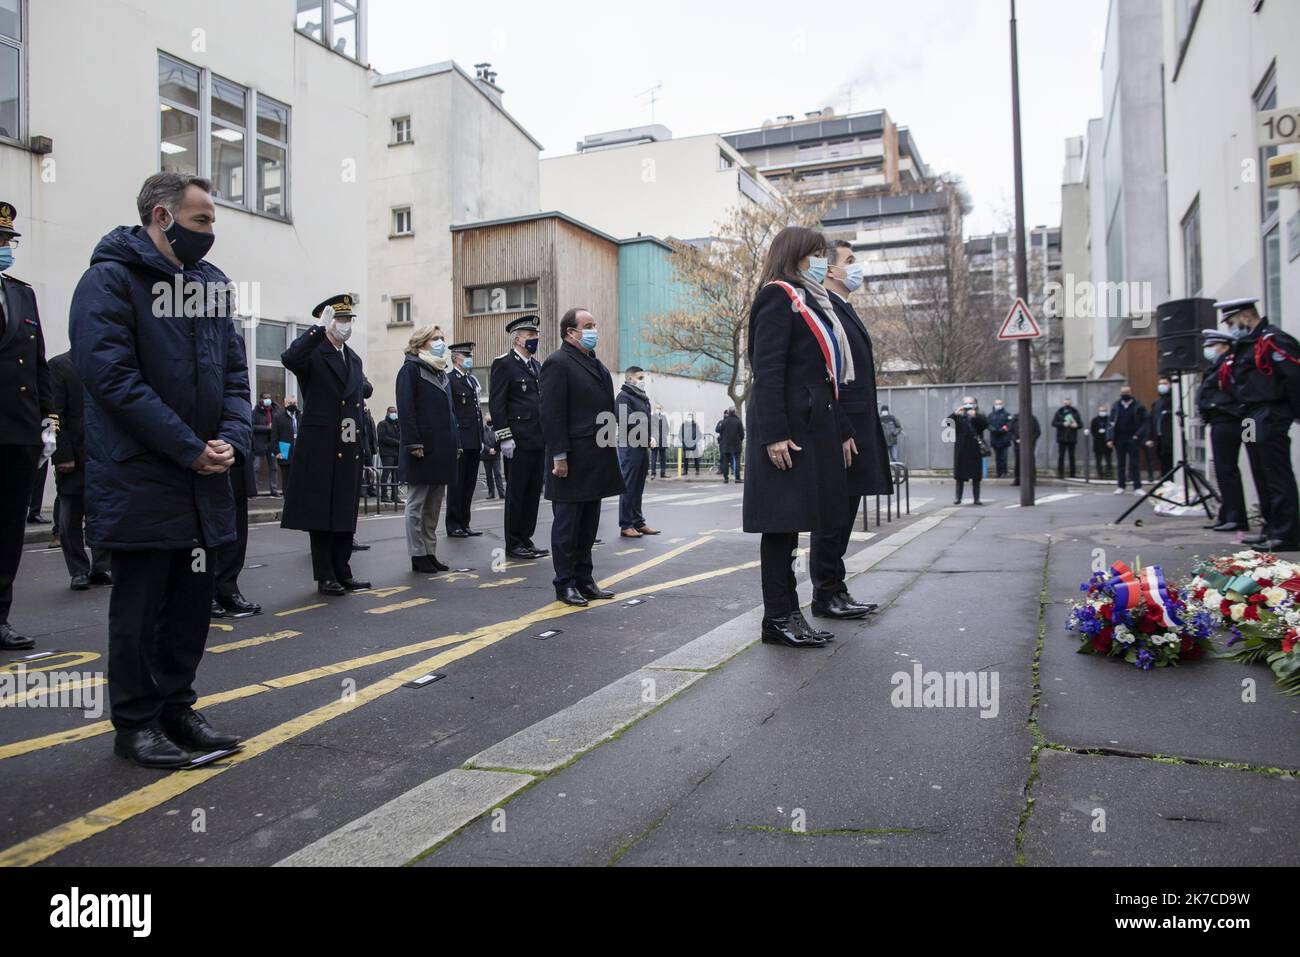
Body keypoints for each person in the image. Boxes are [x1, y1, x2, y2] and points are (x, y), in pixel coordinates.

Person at [70, 172, 249, 767]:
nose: (211, 233)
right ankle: (137, 724)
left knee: (191, 605)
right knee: (141, 610)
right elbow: (111, 379)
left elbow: (234, 377)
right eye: (202, 221)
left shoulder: (211, 286)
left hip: (202, 479)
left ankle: (176, 709)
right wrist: (186, 447)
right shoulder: (108, 281)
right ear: (162, 218)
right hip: (142, 477)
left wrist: (230, 440)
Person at [743, 226, 856, 648]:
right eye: (815, 254)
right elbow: (767, 370)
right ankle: (778, 616)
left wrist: (839, 427)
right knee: (781, 527)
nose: (822, 262)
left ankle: (790, 614)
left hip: (809, 427)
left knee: (797, 523)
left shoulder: (809, 300)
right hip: (786, 430)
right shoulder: (778, 296)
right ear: (796, 255)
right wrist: (773, 434)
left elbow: (823, 376)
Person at [809, 240, 891, 620]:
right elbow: (828, 379)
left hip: (856, 426)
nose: (857, 267)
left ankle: (836, 589)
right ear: (829, 270)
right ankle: (826, 594)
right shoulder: (825, 311)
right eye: (850, 261)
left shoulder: (842, 308)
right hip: (842, 429)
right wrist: (842, 427)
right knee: (832, 516)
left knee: (844, 514)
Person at [280, 293, 373, 595]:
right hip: (321, 443)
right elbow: (290, 358)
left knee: (345, 509)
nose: (346, 325)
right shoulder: (314, 352)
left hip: (348, 442)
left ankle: (343, 570)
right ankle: (325, 575)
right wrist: (316, 331)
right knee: (322, 512)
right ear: (327, 322)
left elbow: (363, 390)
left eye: (348, 320)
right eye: (340, 320)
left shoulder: (353, 357)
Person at [540, 307, 624, 606]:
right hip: (572, 459)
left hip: (596, 457)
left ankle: (585, 580)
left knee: (588, 526)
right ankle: (565, 584)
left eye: (595, 324)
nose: (593, 330)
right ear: (570, 332)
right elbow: (552, 414)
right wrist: (559, 456)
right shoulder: (557, 363)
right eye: (587, 325)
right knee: (567, 527)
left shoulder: (594, 363)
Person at [0, 200, 56, 650]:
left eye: (6, 242)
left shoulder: (21, 293)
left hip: (16, 433)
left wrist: (47, 421)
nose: (5, 248)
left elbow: (38, 366)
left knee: (7, 532)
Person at [1218, 297, 1300, 551]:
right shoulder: (1246, 344)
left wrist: (1294, 412)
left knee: (1275, 472)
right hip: (1250, 416)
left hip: (1269, 412)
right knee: (1259, 470)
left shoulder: (1272, 339)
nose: (1231, 327)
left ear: (1245, 315)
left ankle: (1287, 533)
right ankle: (1271, 526)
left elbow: (1294, 377)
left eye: (1232, 321)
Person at [395, 325, 457, 573]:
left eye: (442, 338)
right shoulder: (410, 370)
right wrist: (413, 443)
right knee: (417, 505)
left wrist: (457, 444)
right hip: (421, 449)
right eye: (435, 339)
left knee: (433, 506)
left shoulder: (442, 372)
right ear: (421, 343)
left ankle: (430, 552)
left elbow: (451, 414)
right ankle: (417, 554)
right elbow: (406, 409)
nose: (441, 342)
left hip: (442, 449)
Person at [49, 350, 111, 590]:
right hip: (73, 457)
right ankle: (78, 570)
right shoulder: (59, 365)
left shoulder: (105, 363)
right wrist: (62, 454)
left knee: (103, 515)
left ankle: (102, 567)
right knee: (70, 518)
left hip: (103, 456)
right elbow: (53, 414)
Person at [488, 315, 549, 560]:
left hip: (537, 438)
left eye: (536, 335)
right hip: (517, 440)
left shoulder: (537, 366)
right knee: (517, 492)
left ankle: (526, 538)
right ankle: (513, 542)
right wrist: (504, 437)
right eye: (530, 335)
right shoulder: (504, 364)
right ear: (517, 338)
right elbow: (497, 403)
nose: (534, 339)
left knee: (533, 492)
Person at [212, 387, 260, 618]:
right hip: (199, 443)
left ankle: (227, 587)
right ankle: (205, 591)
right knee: (203, 535)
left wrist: (232, 438)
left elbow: (237, 393)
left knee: (236, 530)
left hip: (232, 447)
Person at [1197, 329, 1248, 532]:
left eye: (1213, 346)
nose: (1209, 350)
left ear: (1225, 346)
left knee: (1232, 469)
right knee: (1224, 470)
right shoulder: (1217, 366)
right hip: (1221, 422)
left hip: (1232, 421)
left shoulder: (1230, 365)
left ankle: (1237, 518)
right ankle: (1228, 514)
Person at [616, 365, 659, 538]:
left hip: (641, 446)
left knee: (638, 486)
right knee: (628, 486)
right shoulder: (623, 397)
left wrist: (650, 436)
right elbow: (627, 421)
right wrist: (646, 437)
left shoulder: (641, 398)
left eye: (643, 378)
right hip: (630, 446)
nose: (643, 382)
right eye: (640, 378)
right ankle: (626, 525)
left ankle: (638, 522)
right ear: (629, 379)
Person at [446, 341, 483, 537]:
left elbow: (476, 412)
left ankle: (465, 522)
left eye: (470, 355)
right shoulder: (450, 379)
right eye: (465, 355)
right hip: (460, 439)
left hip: (474, 439)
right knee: (457, 485)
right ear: (455, 358)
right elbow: (451, 412)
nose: (469, 358)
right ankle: (453, 524)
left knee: (469, 484)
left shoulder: (471, 380)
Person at [1105, 385, 1147, 494]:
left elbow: (1145, 421)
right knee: (1121, 463)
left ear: (1131, 393)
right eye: (1122, 393)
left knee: (1134, 463)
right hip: (1119, 439)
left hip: (1133, 438)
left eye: (1126, 393)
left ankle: (1137, 487)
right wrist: (1109, 438)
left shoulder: (1138, 406)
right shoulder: (1116, 406)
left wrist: (1138, 434)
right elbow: (1110, 423)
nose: (1124, 395)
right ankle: (1121, 486)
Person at [946, 396, 987, 505]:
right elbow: (947, 423)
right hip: (961, 448)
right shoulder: (959, 415)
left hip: (974, 449)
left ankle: (976, 498)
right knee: (960, 475)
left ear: (975, 404)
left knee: (976, 476)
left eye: (971, 403)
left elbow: (985, 425)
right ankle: (958, 498)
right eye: (966, 403)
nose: (968, 405)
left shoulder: (979, 415)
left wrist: (975, 416)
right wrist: (955, 414)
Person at [1146, 375, 1175, 482]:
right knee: (1162, 462)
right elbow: (1151, 420)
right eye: (1160, 384)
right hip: (1159, 439)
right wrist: (1150, 437)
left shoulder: (1174, 400)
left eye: (1165, 383)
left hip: (1170, 439)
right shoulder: (1156, 403)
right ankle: (1165, 481)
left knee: (1171, 462)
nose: (1161, 386)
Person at [251, 392, 280, 496]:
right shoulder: (255, 412)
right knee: (256, 467)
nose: (268, 399)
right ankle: (254, 490)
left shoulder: (275, 411)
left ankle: (274, 490)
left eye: (269, 397)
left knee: (274, 467)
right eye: (265, 398)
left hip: (272, 444)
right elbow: (252, 427)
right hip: (260, 444)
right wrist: (267, 428)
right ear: (261, 400)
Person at [1051, 397, 1084, 478]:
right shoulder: (1059, 412)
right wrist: (1062, 424)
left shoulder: (1075, 412)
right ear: (1063, 403)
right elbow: (1053, 423)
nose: (1067, 405)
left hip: (1072, 437)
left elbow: (1080, 425)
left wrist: (1076, 425)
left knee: (1071, 456)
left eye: (1068, 403)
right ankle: (1060, 473)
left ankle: (1072, 473)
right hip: (1062, 437)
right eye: (1065, 403)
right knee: (1061, 456)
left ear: (1071, 403)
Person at [274, 394, 300, 492]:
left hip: (299, 451)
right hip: (285, 451)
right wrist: (277, 452)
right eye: (290, 403)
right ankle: (286, 499)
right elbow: (274, 437)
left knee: (298, 478)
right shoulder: (278, 417)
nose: (292, 405)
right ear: (285, 404)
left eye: (294, 403)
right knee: (286, 478)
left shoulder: (301, 416)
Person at [377, 405, 402, 503]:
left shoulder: (397, 424)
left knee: (396, 475)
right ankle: (384, 495)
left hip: (396, 453)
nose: (394, 414)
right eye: (392, 412)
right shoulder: (382, 424)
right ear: (387, 413)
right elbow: (383, 438)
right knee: (386, 474)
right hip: (387, 453)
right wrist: (397, 442)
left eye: (395, 411)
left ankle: (395, 495)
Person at [1010, 410, 1040, 488]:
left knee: (1030, 462)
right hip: (1017, 444)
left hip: (1029, 445)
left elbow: (1037, 432)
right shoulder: (1015, 419)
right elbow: (1011, 431)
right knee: (1018, 462)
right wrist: (1015, 440)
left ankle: (1032, 480)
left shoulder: (1033, 418)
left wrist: (1030, 440)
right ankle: (1017, 479)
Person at [716, 407, 745, 483]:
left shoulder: (724, 421)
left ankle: (726, 478)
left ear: (728, 412)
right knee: (737, 461)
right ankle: (737, 478)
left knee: (725, 461)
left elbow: (720, 432)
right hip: (736, 444)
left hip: (725, 444)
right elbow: (742, 434)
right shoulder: (738, 421)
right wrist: (740, 440)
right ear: (735, 412)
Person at [481, 414, 506, 498]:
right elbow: (481, 442)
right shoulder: (482, 430)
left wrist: (495, 449)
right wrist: (489, 450)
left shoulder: (496, 428)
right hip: (486, 455)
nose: (489, 420)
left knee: (497, 474)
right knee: (488, 475)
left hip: (496, 455)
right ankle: (491, 493)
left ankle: (501, 492)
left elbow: (499, 440)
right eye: (487, 418)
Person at [987, 399, 1013, 477]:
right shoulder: (991, 415)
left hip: (1004, 439)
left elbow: (1009, 424)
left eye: (999, 404)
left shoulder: (1007, 414)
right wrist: (993, 430)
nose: (998, 405)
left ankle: (1004, 472)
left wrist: (1002, 429)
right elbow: (988, 424)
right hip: (995, 439)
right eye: (996, 404)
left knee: (1004, 457)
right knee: (997, 457)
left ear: (1002, 405)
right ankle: (998, 473)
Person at [1089, 404, 1112, 479]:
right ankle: (1100, 473)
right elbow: (1092, 430)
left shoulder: (1109, 419)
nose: (1102, 412)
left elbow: (1112, 429)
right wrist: (1098, 432)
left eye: (1104, 410)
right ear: (1098, 411)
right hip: (1098, 442)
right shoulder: (1095, 420)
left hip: (1107, 442)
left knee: (1108, 459)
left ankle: (1109, 473)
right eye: (1101, 411)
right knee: (1098, 459)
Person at [649, 404, 670, 478]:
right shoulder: (652, 417)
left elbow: (667, 428)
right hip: (655, 440)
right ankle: (653, 473)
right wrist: (651, 437)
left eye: (659, 408)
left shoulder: (663, 417)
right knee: (653, 457)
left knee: (663, 458)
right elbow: (649, 428)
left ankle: (663, 473)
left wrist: (664, 434)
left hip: (662, 440)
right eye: (657, 408)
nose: (658, 409)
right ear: (655, 409)